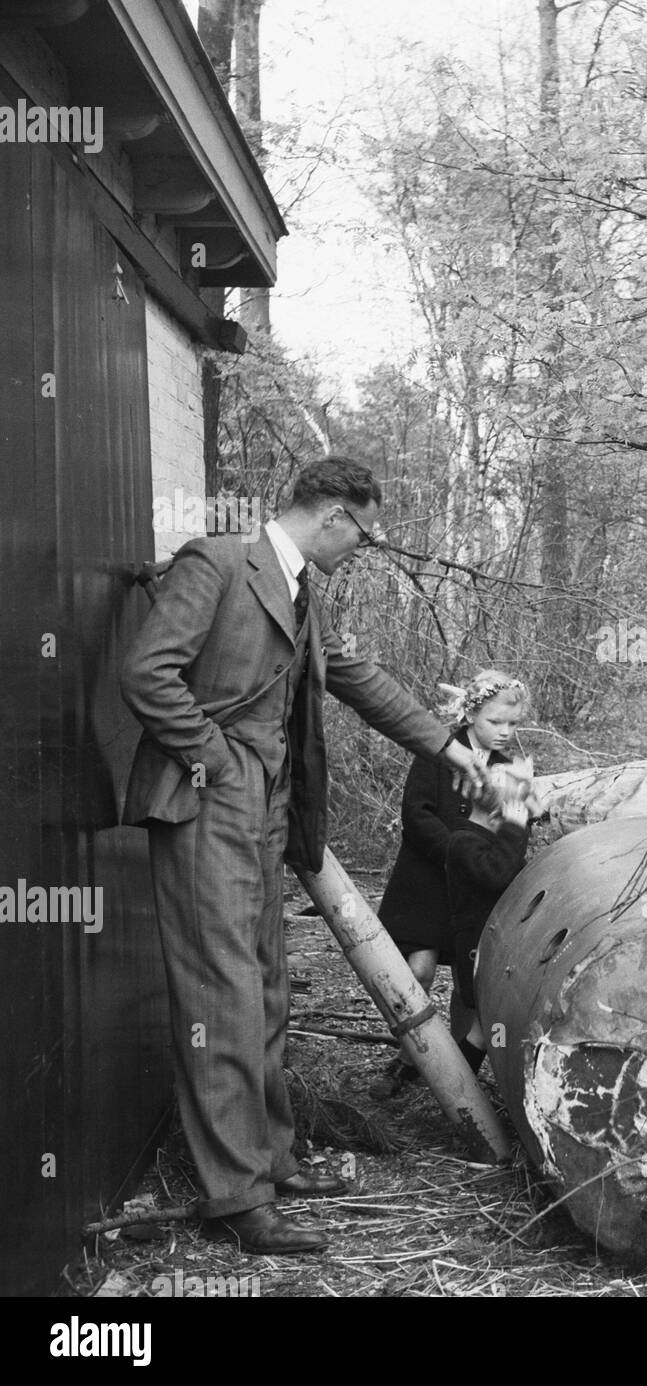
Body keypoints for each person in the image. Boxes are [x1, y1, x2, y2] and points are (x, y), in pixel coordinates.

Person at [120, 456, 485, 1255]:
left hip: (269, 811)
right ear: (331, 516)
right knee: (222, 998)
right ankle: (235, 1198)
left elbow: (357, 677)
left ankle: (274, 1159)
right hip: (206, 802)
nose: (363, 545)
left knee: (267, 990)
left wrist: (451, 747)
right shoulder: (218, 564)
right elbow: (148, 673)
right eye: (363, 531)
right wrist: (210, 755)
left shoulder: (301, 591)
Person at [372, 672, 530, 1095]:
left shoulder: (508, 768)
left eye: (513, 725)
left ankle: (459, 1072)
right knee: (416, 970)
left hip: (475, 891)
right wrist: (458, 853)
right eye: (497, 722)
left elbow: (511, 828)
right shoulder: (439, 751)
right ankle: (408, 1058)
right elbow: (416, 814)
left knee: (470, 984)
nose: (505, 732)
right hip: (425, 882)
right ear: (473, 712)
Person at [443, 765, 532, 1073]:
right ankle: (456, 1091)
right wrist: (515, 825)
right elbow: (498, 875)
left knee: (486, 1031)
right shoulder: (463, 841)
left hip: (493, 946)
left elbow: (510, 868)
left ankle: (460, 1092)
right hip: (479, 951)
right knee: (482, 1032)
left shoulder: (482, 839)